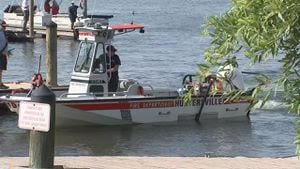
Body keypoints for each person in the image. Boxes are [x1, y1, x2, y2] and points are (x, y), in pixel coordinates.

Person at [0, 20, 9, 89]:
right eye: (3, 26)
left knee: (1, 69)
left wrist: (7, 53)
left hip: (3, 54)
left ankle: (0, 83)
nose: (4, 28)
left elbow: (5, 44)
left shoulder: (3, 33)